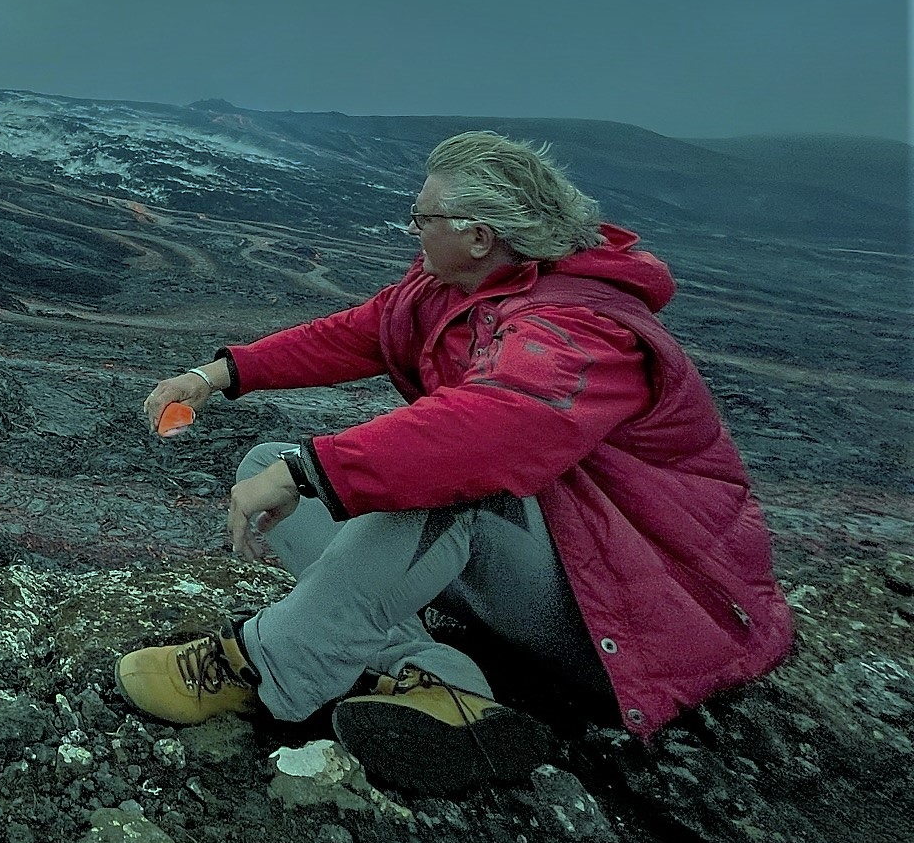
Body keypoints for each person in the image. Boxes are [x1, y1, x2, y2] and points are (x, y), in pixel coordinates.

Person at [113, 132, 792, 796]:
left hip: (639, 613)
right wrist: (217, 375)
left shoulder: (583, 328)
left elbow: (489, 433)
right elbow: (362, 331)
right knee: (270, 463)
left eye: (424, 218)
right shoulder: (454, 287)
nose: (412, 229)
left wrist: (305, 469)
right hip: (558, 572)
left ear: (479, 235)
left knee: (442, 483)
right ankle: (437, 682)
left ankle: (260, 671)